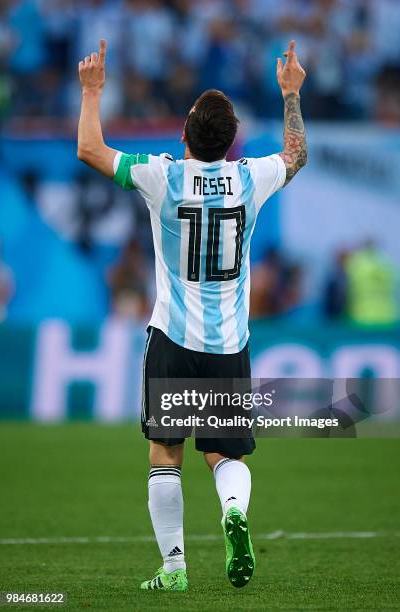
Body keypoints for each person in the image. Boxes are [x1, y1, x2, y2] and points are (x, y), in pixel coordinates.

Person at [77, 38, 307, 592]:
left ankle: (175, 569)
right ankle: (233, 512)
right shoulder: (251, 178)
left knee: (165, 451)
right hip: (229, 342)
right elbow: (296, 154)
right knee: (225, 452)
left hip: (174, 339)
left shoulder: (161, 177)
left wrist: (91, 90)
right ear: (231, 145)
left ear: (183, 134)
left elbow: (90, 149)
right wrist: (292, 94)